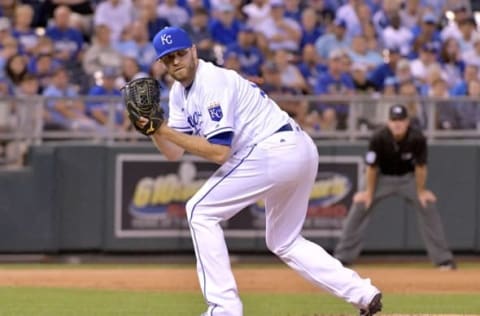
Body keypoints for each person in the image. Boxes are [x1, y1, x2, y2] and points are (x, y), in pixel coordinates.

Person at [138, 26, 383, 316]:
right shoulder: (179, 94)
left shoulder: (212, 80)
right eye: (167, 59)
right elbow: (173, 151)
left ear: (193, 50)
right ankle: (363, 293)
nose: (175, 62)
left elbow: (219, 152)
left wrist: (164, 129)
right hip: (293, 148)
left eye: (179, 53)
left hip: (273, 149)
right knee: (284, 240)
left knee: (199, 211)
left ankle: (224, 308)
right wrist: (154, 130)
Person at [334, 104, 456, 270]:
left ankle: (443, 260)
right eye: (394, 120)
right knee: (360, 205)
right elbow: (371, 168)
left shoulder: (417, 138)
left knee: (428, 205)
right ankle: (342, 259)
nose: (397, 123)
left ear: (407, 122)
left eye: (400, 120)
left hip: (408, 179)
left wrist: (421, 191)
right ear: (388, 122)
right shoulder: (379, 137)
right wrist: (368, 193)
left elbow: (420, 167)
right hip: (380, 179)